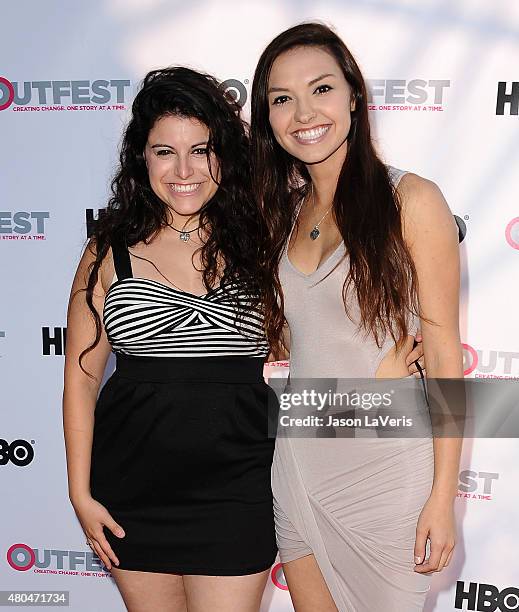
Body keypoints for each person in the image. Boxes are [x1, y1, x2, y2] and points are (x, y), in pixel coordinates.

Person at [250, 23, 463, 612]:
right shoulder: (280, 218)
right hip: (299, 460)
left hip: (387, 470)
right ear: (267, 117)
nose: (303, 113)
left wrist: (442, 498)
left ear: (354, 96)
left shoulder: (411, 201)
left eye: (321, 89)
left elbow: (445, 357)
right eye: (282, 99)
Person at [62, 67, 277, 612]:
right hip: (132, 492)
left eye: (201, 150)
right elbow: (80, 382)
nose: (184, 170)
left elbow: (326, 325)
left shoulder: (263, 242)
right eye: (164, 151)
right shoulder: (109, 249)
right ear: (142, 159)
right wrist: (79, 493)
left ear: (224, 155)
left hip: (238, 488)